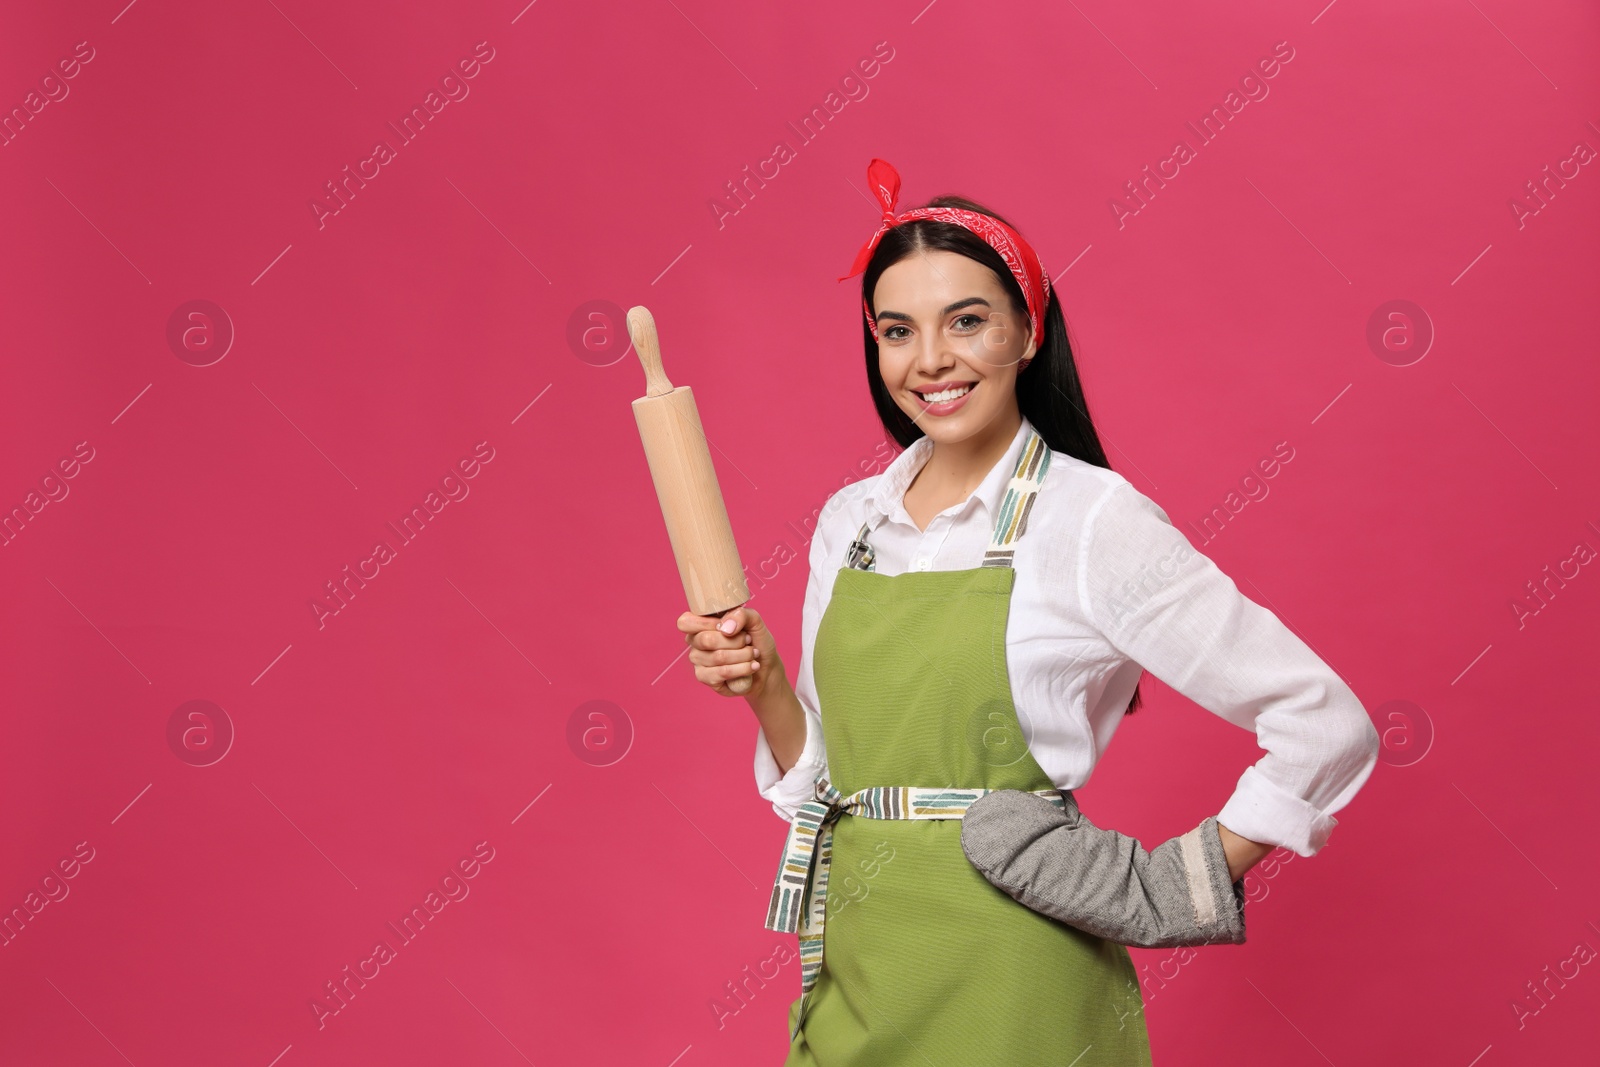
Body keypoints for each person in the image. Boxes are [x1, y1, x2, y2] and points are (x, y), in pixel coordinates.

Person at [677, 158, 1380, 1066]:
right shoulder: (850, 523)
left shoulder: (1091, 521)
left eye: (966, 321)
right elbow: (827, 783)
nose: (930, 359)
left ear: (1027, 329)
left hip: (1021, 991)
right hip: (862, 971)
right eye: (898, 330)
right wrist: (764, 683)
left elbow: (1327, 724)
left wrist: (1177, 885)